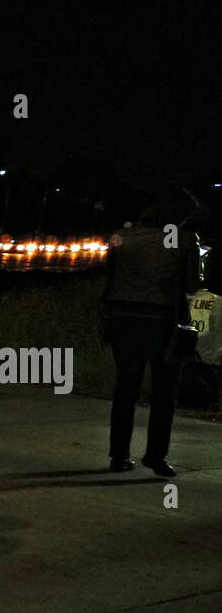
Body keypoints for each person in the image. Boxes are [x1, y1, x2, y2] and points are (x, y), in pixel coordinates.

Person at [101, 189, 202, 477]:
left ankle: (118, 456)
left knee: (126, 389)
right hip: (163, 321)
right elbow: (193, 284)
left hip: (123, 317)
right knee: (164, 392)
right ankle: (156, 456)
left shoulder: (122, 236)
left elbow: (109, 275)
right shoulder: (184, 241)